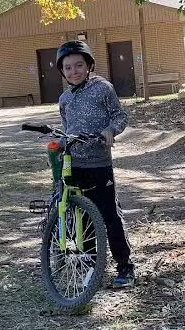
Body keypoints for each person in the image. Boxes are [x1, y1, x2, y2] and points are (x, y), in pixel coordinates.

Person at [56, 40, 135, 288]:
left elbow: (120, 116)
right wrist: (60, 141)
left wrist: (111, 129)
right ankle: (88, 264)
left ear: (89, 65)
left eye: (79, 65)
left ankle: (124, 266)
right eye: (67, 68)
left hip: (99, 164)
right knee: (77, 216)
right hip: (73, 164)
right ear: (62, 72)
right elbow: (68, 128)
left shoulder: (103, 89)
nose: (74, 71)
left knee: (108, 215)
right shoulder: (65, 98)